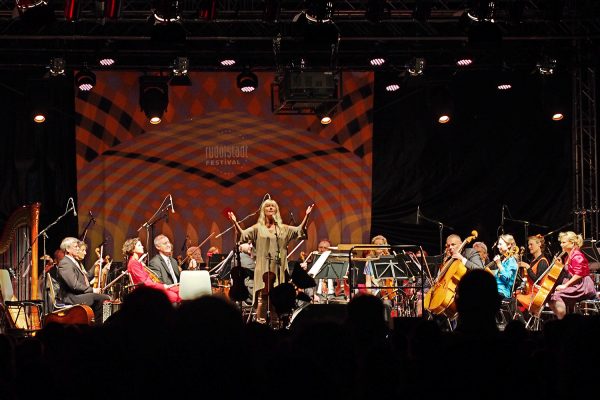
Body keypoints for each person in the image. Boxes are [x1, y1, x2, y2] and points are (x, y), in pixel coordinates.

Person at [228, 199, 313, 324]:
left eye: (273, 206)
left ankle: (275, 324)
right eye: (267, 206)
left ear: (277, 210)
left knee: (276, 299)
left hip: (278, 267)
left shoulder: (283, 229)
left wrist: (307, 215)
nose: (270, 208)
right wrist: (234, 222)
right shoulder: (258, 228)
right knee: (263, 297)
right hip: (263, 268)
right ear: (263, 210)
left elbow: (299, 231)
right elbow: (243, 235)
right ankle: (260, 323)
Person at [56, 237, 111, 324]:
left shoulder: (74, 262)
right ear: (67, 249)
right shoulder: (65, 263)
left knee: (104, 297)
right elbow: (74, 285)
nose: (78, 249)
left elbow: (86, 278)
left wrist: (95, 266)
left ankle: (100, 324)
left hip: (78, 295)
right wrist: (93, 290)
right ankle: (100, 325)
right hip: (71, 297)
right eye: (76, 247)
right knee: (103, 298)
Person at [549, 231, 597, 319]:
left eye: (564, 242)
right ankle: (564, 318)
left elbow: (579, 275)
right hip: (576, 284)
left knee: (557, 296)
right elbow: (570, 272)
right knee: (551, 296)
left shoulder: (577, 256)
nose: (561, 245)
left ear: (572, 243)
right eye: (561, 242)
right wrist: (560, 265)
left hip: (582, 285)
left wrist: (565, 285)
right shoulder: (568, 257)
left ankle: (563, 322)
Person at [123, 237, 181, 304]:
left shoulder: (137, 262)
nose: (142, 246)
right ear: (132, 249)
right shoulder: (133, 263)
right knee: (174, 296)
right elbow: (146, 283)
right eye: (139, 245)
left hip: (151, 287)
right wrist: (163, 286)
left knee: (181, 290)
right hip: (146, 291)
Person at [516, 234, 549, 311]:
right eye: (528, 245)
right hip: (530, 293)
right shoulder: (533, 261)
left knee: (513, 301)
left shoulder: (543, 261)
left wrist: (527, 267)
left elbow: (537, 281)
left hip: (536, 296)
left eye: (531, 244)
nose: (529, 247)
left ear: (539, 244)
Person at [491, 234, 519, 299]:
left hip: (502, 292)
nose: (498, 246)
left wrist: (499, 264)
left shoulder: (511, 260)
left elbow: (506, 278)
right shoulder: (504, 259)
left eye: (500, 244)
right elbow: (498, 277)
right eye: (498, 244)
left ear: (509, 245)